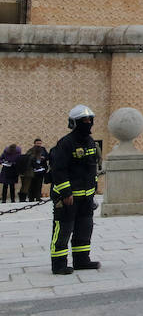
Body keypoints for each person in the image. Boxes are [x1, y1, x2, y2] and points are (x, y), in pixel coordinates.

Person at [49, 105, 102, 274]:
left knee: (84, 229)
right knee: (63, 231)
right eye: (84, 121)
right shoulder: (66, 143)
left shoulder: (90, 142)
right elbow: (59, 169)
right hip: (68, 198)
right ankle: (59, 264)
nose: (88, 123)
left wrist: (93, 189)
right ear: (74, 123)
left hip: (86, 197)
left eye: (89, 120)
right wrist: (65, 192)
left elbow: (92, 167)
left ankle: (81, 260)